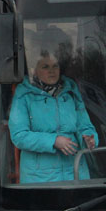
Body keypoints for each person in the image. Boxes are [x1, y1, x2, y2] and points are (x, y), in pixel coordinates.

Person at [8, 50, 98, 183]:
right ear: (34, 70)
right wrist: (53, 141)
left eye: (55, 66)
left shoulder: (71, 91)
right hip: (40, 179)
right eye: (45, 67)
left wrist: (89, 139)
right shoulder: (24, 95)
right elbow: (19, 136)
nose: (52, 71)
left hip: (75, 173)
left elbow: (84, 126)